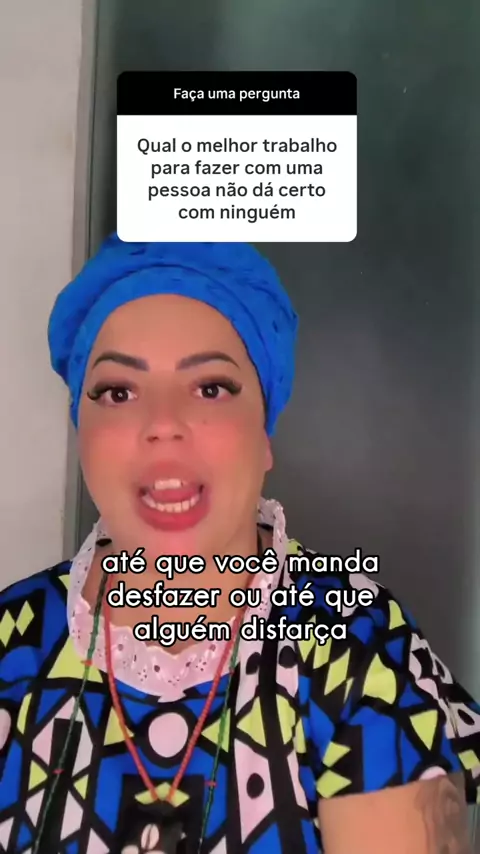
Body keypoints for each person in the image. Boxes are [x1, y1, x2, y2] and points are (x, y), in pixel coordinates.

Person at [0, 236, 478, 854]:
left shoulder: (359, 644)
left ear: (265, 432)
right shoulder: (13, 639)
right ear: (81, 428)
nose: (163, 424)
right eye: (118, 392)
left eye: (211, 388)